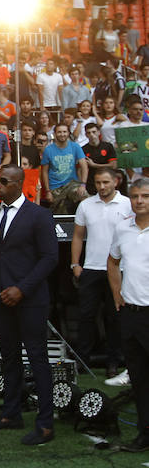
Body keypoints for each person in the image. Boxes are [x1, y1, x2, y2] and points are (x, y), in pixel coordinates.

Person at [0, 165, 58, 445]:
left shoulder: (39, 215)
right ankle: (11, 413)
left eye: (4, 182)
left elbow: (49, 258)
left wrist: (22, 289)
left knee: (37, 357)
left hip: (30, 300)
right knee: (8, 356)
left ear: (19, 184)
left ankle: (45, 424)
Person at [71, 167, 133, 379]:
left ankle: (113, 362)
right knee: (86, 316)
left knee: (115, 317)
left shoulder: (128, 204)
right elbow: (78, 236)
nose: (102, 186)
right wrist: (75, 264)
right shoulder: (86, 205)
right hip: (91, 268)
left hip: (119, 269)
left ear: (116, 181)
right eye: (98, 183)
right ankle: (82, 361)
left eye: (106, 182)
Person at [107, 178, 149, 452]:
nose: (139, 201)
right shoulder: (123, 227)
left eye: (145, 196)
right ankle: (145, 434)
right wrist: (117, 293)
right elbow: (112, 261)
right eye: (134, 196)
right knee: (139, 377)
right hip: (131, 314)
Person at [40, 122, 88, 214]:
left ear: (68, 133)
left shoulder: (75, 146)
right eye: (59, 132)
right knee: (60, 214)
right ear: (54, 134)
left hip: (72, 184)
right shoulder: (48, 150)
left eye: (64, 132)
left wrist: (83, 184)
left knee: (85, 197)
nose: (62, 134)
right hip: (55, 187)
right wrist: (47, 191)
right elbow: (44, 172)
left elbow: (84, 166)